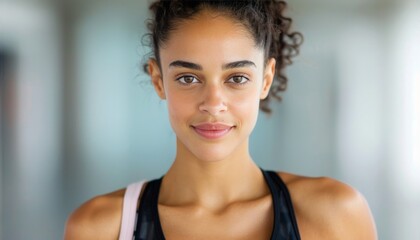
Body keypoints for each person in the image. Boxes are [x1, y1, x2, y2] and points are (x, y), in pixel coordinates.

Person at [64, 0, 378, 239]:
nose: (213, 104)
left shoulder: (335, 216)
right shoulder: (100, 228)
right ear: (158, 80)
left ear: (265, 80)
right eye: (188, 78)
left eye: (237, 78)